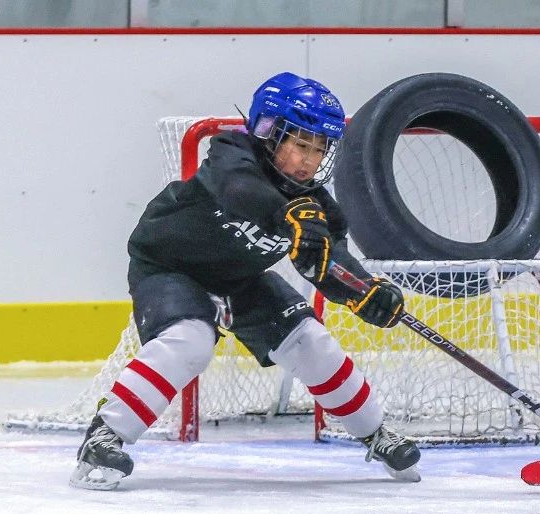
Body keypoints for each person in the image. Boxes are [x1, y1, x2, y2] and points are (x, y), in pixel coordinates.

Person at [70, 72, 421, 490]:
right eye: (300, 144)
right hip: (170, 267)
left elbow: (328, 264)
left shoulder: (316, 207)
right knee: (190, 341)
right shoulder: (232, 153)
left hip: (241, 278)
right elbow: (239, 190)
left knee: (310, 340)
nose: (309, 160)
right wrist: (286, 218)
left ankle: (376, 433)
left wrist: (366, 292)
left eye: (319, 148)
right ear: (268, 132)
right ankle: (105, 436)